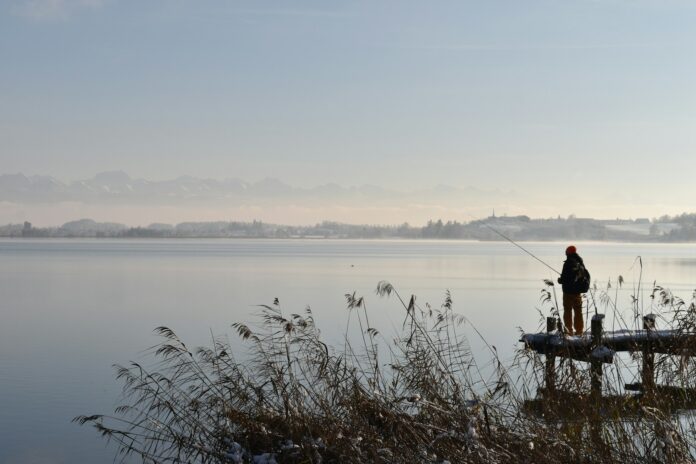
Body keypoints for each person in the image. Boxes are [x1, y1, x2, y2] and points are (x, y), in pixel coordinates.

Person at [558, 245, 589, 336]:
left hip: (568, 292)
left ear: (568, 252)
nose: (565, 253)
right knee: (578, 311)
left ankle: (569, 332)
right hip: (577, 292)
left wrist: (560, 280)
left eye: (566, 251)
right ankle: (579, 331)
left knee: (567, 311)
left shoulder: (568, 263)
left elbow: (565, 278)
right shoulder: (580, 262)